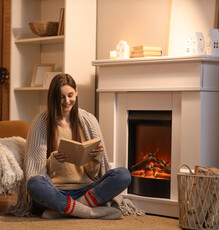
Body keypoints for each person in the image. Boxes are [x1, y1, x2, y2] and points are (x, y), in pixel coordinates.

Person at [8, 73, 132, 219]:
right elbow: (35, 171)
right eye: (61, 97)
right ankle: (90, 212)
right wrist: (53, 162)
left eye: (70, 95)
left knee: (123, 175)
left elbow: (94, 174)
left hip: (87, 191)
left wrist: (96, 159)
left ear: (77, 92)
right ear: (53, 97)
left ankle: (64, 210)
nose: (67, 101)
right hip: (55, 191)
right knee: (34, 184)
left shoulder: (88, 120)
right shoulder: (41, 122)